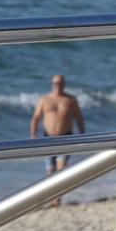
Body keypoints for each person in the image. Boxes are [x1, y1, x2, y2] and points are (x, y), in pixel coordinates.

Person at [31, 74, 86, 207]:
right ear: (52, 84)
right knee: (50, 170)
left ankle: (57, 199)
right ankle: (52, 197)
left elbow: (79, 118)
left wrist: (82, 135)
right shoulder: (45, 99)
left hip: (65, 137)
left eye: (60, 83)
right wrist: (33, 134)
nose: (58, 85)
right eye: (55, 83)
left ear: (64, 84)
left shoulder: (71, 100)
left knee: (61, 168)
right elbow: (36, 117)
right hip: (47, 138)